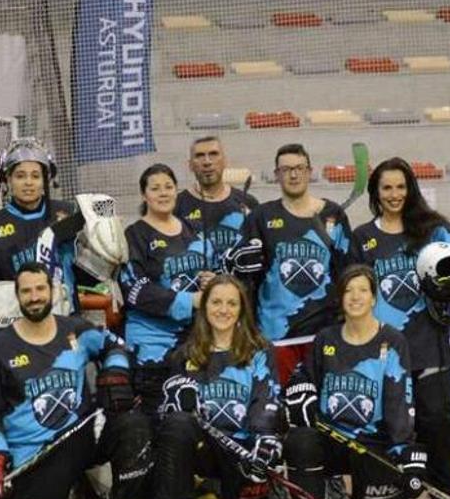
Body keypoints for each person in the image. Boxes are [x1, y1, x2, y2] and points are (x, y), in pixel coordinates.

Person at [350, 157, 450, 499]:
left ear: (410, 189)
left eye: (401, 186)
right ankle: (395, 497)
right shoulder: (362, 238)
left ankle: (444, 497)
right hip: (382, 354)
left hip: (429, 348)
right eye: (387, 188)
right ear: (375, 192)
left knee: (436, 425)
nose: (394, 194)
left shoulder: (434, 230)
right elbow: (349, 289)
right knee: (391, 431)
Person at [0, 262, 151, 499]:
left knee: (133, 426)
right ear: (17, 296)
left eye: (40, 289)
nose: (34, 297)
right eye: (26, 291)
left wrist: (115, 371)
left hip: (80, 435)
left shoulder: (75, 329)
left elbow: (116, 346)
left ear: (53, 292)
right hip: (33, 454)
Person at [283, 265, 426, 499]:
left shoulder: (393, 342)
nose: (355, 296)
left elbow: (398, 402)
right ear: (340, 297)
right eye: (348, 290)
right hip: (331, 437)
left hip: (373, 444)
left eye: (362, 290)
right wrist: (300, 391)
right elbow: (303, 376)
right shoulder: (325, 339)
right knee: (300, 440)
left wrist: (403, 449)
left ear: (373, 298)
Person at [151, 274, 282, 499]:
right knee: (178, 423)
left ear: (242, 309)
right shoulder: (184, 355)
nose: (223, 310)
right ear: (205, 306)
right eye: (216, 302)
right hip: (204, 452)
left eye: (232, 303)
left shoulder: (260, 350)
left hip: (242, 452)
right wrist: (174, 403)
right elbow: (165, 417)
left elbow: (266, 399)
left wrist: (264, 442)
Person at [227, 143, 352, 383]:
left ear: (309, 171)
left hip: (323, 333)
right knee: (277, 410)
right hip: (276, 335)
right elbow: (244, 278)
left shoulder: (333, 214)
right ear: (276, 175)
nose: (293, 175)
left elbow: (348, 273)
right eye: (286, 169)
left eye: (299, 168)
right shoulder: (261, 217)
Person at [118, 163, 214, 413]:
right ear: (144, 195)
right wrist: (190, 301)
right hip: (152, 347)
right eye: (155, 188)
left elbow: (213, 271)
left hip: (195, 342)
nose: (163, 193)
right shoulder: (135, 235)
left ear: (177, 191)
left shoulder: (193, 231)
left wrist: (211, 280)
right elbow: (134, 289)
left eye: (168, 187)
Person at [0, 138, 78, 327]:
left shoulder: (70, 214)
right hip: (13, 330)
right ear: (7, 180)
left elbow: (92, 272)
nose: (28, 183)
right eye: (20, 176)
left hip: (66, 322)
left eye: (35, 176)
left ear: (46, 179)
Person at [176, 136, 259, 273]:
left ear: (225, 161)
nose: (207, 162)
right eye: (200, 156)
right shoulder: (177, 205)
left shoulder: (248, 202)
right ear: (190, 165)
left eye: (213, 154)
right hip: (195, 292)